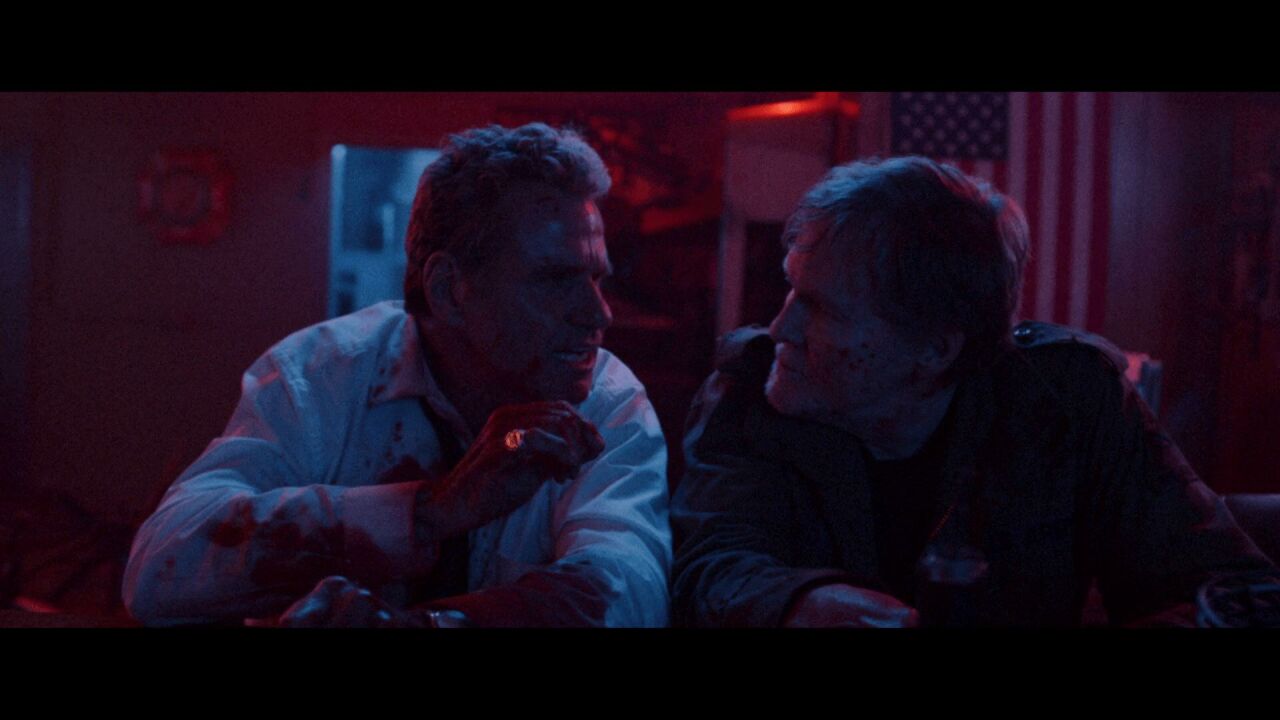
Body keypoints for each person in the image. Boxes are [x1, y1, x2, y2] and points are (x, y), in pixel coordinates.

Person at [671, 156, 1273, 628]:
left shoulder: (1066, 398)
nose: (782, 328)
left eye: (822, 309)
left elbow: (1235, 592)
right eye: (791, 290)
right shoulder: (750, 388)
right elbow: (710, 568)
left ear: (935, 348)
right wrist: (802, 603)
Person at [123, 123, 671, 628]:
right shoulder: (320, 376)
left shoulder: (608, 401)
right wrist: (429, 511)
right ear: (449, 290)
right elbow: (157, 569)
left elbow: (630, 590)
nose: (599, 314)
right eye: (555, 279)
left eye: (597, 279)